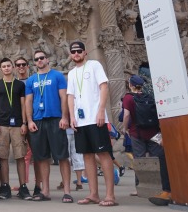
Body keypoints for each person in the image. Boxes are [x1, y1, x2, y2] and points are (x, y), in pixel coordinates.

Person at [66, 41, 116, 206]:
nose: (76, 54)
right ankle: (93, 193)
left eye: (79, 51)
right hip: (80, 121)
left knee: (103, 153)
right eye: (73, 52)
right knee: (87, 155)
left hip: (96, 118)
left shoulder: (94, 65)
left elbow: (104, 87)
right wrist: (72, 116)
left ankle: (110, 195)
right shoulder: (72, 73)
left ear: (85, 52)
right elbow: (70, 96)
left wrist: (101, 110)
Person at [26, 49, 72, 202]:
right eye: (37, 59)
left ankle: (67, 191)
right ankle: (45, 191)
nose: (39, 60)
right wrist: (29, 120)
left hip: (55, 119)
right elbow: (28, 101)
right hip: (38, 120)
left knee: (62, 156)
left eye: (42, 58)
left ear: (47, 59)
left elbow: (63, 97)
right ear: (34, 62)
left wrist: (64, 117)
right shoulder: (31, 80)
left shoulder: (57, 75)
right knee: (41, 157)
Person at [122, 75, 171, 206]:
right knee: (159, 158)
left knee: (139, 159)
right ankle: (162, 186)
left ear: (130, 85)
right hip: (153, 132)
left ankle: (140, 188)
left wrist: (124, 128)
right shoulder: (149, 96)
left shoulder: (128, 98)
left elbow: (126, 115)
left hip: (136, 133)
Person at [0, 58, 31, 200]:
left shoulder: (19, 85)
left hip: (17, 124)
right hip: (1, 124)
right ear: (1, 69)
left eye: (8, 66)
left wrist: (24, 122)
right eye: (4, 66)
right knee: (2, 156)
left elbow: (23, 105)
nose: (6, 68)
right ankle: (5, 186)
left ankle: (23, 187)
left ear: (13, 67)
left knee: (20, 156)